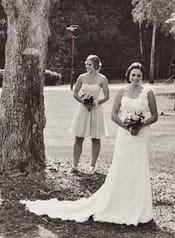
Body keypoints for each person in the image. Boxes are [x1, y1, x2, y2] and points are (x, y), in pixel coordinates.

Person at [22, 61, 158, 226]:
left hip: (141, 136)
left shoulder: (148, 92)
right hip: (125, 135)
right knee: (121, 166)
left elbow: (154, 116)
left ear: (142, 77)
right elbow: (114, 115)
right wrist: (128, 127)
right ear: (129, 76)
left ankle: (139, 207)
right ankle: (117, 203)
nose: (136, 78)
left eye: (139, 75)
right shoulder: (122, 92)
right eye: (133, 75)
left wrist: (140, 125)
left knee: (138, 167)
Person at [70, 55, 110, 173]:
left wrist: (96, 102)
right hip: (82, 110)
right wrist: (84, 101)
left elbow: (107, 97)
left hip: (96, 110)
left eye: (90, 65)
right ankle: (75, 165)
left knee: (95, 138)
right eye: (86, 64)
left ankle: (92, 165)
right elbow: (75, 94)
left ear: (96, 65)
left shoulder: (102, 79)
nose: (87, 67)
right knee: (79, 137)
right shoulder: (81, 77)